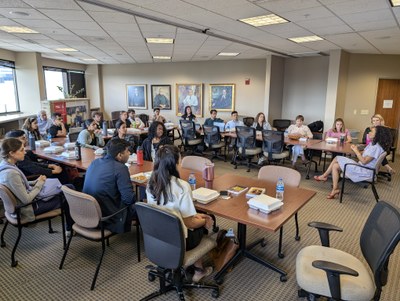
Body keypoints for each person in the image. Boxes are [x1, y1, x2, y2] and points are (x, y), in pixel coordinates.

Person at [146, 145, 214, 283]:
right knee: (205, 222)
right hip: (179, 242)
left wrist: (197, 217)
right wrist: (205, 220)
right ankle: (199, 270)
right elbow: (189, 223)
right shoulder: (182, 186)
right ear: (175, 164)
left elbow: (175, 214)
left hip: (157, 237)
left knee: (198, 217)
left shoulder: (151, 182)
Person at [0, 138, 73, 233]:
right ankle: (70, 229)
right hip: (28, 209)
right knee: (68, 190)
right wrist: (39, 184)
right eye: (21, 150)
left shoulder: (4, 165)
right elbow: (26, 199)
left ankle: (70, 228)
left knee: (66, 187)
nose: (25, 152)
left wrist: (34, 182)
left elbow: (18, 184)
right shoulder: (11, 174)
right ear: (11, 153)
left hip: (19, 207)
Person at [314, 126, 392, 199]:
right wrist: (355, 150)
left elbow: (364, 161)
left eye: (372, 132)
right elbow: (363, 154)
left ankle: (324, 176)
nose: (369, 133)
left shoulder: (376, 148)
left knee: (337, 158)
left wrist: (356, 151)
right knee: (335, 166)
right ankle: (335, 189)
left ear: (378, 135)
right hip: (361, 167)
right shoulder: (373, 144)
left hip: (365, 171)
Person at [83, 139, 136, 233]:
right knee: (145, 207)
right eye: (127, 151)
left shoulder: (95, 162)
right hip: (108, 216)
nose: (129, 153)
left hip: (89, 212)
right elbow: (129, 200)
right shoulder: (121, 168)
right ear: (119, 155)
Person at [4, 130, 69, 183]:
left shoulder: (10, 158)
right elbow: (35, 169)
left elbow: (32, 164)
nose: (26, 140)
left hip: (34, 175)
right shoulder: (18, 157)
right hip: (33, 178)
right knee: (61, 169)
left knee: (55, 164)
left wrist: (49, 166)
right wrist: (53, 171)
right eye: (23, 138)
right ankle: (67, 190)